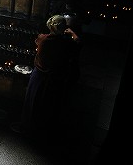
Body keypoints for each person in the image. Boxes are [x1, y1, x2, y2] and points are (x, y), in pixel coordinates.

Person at [12, 14, 81, 142]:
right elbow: (78, 42)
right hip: (55, 78)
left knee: (32, 102)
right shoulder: (66, 44)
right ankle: (43, 130)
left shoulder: (43, 39)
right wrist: (72, 33)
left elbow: (37, 43)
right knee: (48, 104)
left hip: (39, 76)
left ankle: (27, 128)